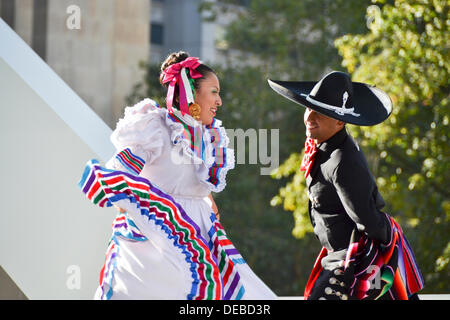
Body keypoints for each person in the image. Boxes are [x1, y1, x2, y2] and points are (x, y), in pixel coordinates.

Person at [79, 51, 276, 300]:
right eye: (214, 92)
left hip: (200, 234)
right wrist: (140, 208)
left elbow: (197, 190)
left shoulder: (208, 137)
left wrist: (208, 205)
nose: (220, 101)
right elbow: (118, 174)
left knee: (244, 293)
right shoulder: (157, 128)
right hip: (156, 240)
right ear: (192, 93)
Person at [268, 71, 424, 300]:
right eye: (309, 108)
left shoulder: (342, 161)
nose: (310, 117)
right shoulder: (324, 147)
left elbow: (367, 219)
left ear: (340, 121)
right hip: (336, 254)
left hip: (352, 257)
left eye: (319, 112)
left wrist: (378, 247)